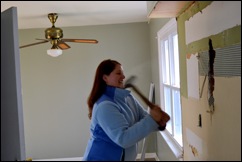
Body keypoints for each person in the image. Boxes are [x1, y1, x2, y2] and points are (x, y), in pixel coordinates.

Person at [82, 59, 169, 161]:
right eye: (118, 73)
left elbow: (144, 118)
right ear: (105, 78)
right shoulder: (105, 106)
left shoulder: (127, 97)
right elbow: (123, 139)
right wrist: (153, 119)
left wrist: (158, 122)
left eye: (123, 73)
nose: (123, 77)